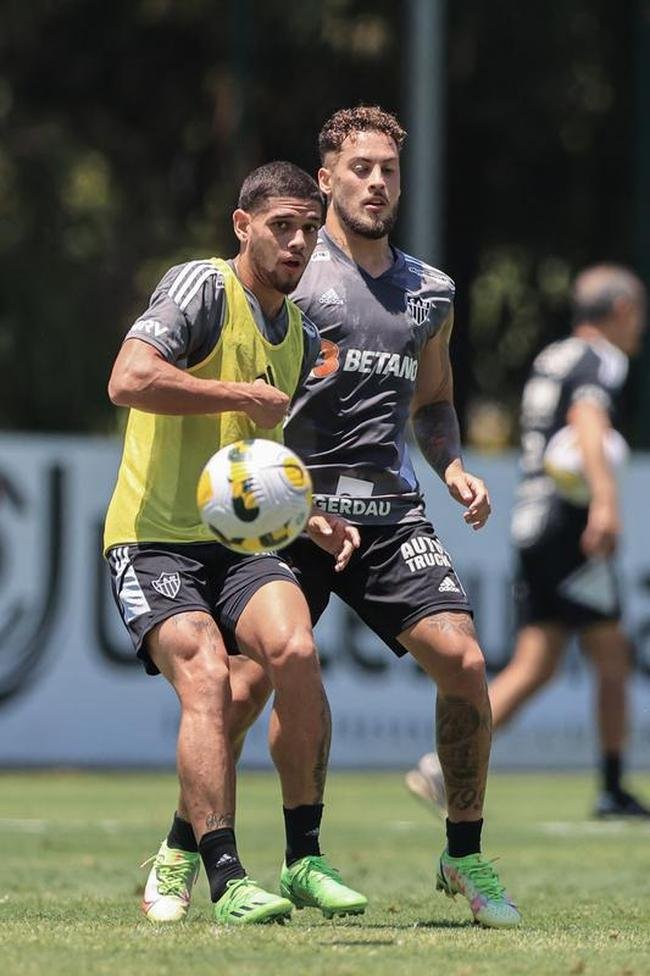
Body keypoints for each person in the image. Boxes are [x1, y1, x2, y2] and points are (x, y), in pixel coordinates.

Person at [153, 107, 521, 928]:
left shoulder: (431, 290)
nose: (378, 182)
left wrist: (453, 463)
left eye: (389, 168)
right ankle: (185, 844)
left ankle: (464, 853)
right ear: (325, 180)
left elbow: (434, 402)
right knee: (246, 690)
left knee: (464, 663)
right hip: (289, 515)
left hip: (389, 514)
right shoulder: (287, 272)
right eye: (360, 168)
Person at [104, 160, 367, 926]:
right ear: (242, 225)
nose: (296, 241)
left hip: (239, 544)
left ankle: (304, 857)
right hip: (153, 540)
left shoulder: (301, 334)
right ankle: (226, 876)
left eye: (309, 231)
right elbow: (127, 378)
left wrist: (307, 510)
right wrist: (233, 393)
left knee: (294, 656)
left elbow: (253, 456)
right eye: (282, 225)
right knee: (209, 677)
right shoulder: (201, 287)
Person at [406, 264, 650, 821]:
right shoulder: (601, 359)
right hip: (568, 522)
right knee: (607, 653)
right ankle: (610, 786)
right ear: (621, 312)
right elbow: (587, 422)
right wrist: (607, 504)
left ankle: (443, 769)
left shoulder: (553, 356)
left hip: (534, 517)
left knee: (548, 660)